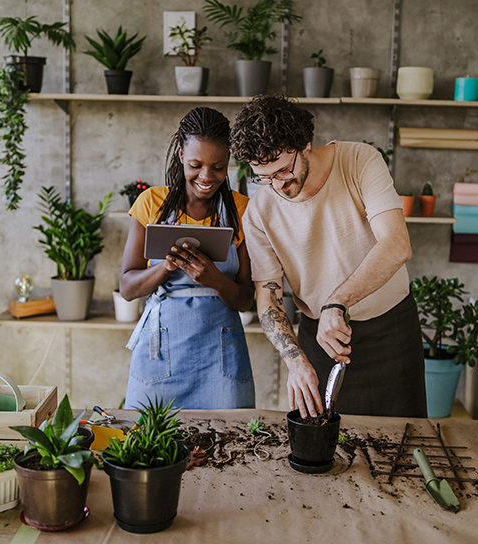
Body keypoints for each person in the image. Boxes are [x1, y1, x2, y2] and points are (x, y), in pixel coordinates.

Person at [230, 95, 426, 419]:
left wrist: (337, 302)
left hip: (392, 334)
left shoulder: (359, 161)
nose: (277, 186)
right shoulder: (258, 214)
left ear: (304, 143)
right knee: (324, 448)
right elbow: (269, 299)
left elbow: (396, 244)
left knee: (402, 445)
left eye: (282, 171)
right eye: (263, 178)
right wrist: (295, 360)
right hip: (319, 342)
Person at [119, 107, 255, 410]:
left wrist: (215, 280)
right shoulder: (151, 203)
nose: (207, 177)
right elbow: (128, 288)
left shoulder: (242, 209)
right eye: (196, 164)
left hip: (220, 359)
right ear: (181, 155)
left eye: (219, 167)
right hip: (162, 357)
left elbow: (245, 299)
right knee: (151, 446)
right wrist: (165, 268)